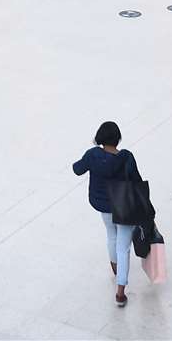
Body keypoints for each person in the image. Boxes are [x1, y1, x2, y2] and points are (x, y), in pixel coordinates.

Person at [71, 121, 145, 307]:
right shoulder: (126, 157)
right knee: (124, 247)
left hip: (103, 206)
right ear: (117, 138)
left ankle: (115, 268)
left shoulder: (92, 155)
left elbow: (77, 169)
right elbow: (136, 181)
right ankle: (120, 293)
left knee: (111, 236)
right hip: (125, 206)